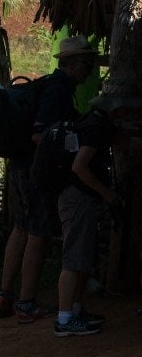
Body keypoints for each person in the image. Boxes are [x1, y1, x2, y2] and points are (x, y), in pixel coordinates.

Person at [0, 36, 100, 322]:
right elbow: (40, 134)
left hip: (19, 165)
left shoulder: (44, 85)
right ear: (73, 63)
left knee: (21, 228)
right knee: (38, 233)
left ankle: (5, 294)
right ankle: (26, 303)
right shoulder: (58, 91)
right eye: (86, 63)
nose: (89, 70)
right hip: (35, 170)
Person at [53, 96, 118, 336]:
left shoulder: (92, 122)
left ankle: (75, 310)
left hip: (79, 198)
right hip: (77, 198)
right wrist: (107, 193)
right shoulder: (96, 128)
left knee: (81, 257)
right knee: (73, 258)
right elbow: (79, 167)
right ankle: (64, 319)